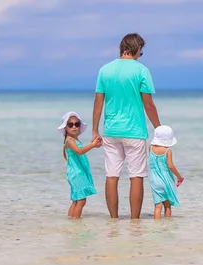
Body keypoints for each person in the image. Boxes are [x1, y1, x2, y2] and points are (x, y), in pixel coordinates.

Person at [92, 33, 161, 220]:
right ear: (137, 48)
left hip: (111, 131)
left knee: (111, 175)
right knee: (136, 176)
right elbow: (148, 104)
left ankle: (113, 220)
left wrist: (94, 130)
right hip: (134, 131)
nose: (141, 54)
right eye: (141, 51)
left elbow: (98, 103)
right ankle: (134, 221)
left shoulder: (105, 70)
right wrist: (158, 128)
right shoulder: (141, 71)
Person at [58, 111, 102, 219]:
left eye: (77, 124)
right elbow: (79, 151)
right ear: (66, 128)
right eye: (70, 125)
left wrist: (94, 145)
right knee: (81, 200)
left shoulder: (74, 139)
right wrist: (92, 145)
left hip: (76, 173)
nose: (74, 127)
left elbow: (81, 150)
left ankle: (71, 220)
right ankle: (76, 222)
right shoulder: (69, 140)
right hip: (76, 173)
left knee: (76, 200)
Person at [149, 125, 184, 219]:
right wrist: (179, 177)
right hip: (165, 180)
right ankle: (167, 226)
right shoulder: (168, 151)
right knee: (167, 205)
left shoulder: (150, 148)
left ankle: (157, 226)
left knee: (157, 206)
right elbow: (170, 166)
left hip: (154, 180)